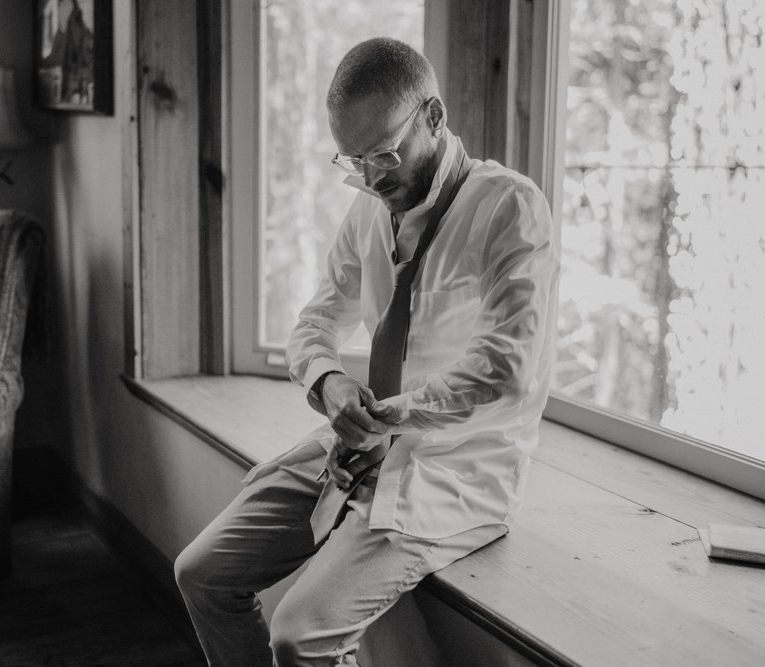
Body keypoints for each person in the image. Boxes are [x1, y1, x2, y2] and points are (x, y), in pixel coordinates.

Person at [174, 37, 558, 666]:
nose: (374, 177)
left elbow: (508, 367)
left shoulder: (509, 207)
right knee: (201, 573)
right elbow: (316, 321)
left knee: (298, 635)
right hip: (360, 448)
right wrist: (330, 385)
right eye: (355, 160)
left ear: (433, 117)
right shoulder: (367, 209)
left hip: (455, 469)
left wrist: (393, 413)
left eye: (384, 153)